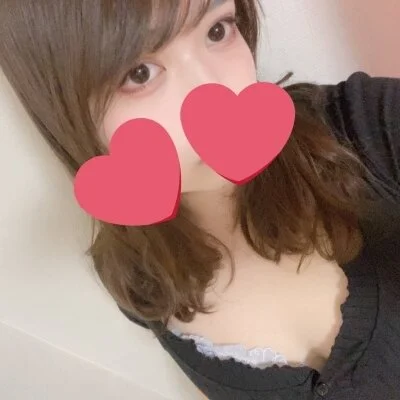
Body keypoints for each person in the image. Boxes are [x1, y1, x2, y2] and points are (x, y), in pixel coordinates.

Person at [1, 0, 399, 399]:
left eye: (218, 30)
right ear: (64, 110)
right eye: (139, 74)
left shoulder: (364, 128)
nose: (213, 89)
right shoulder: (139, 278)